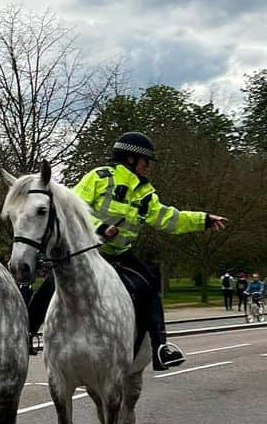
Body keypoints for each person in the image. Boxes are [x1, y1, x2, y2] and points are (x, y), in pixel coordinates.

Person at [27, 132, 227, 370]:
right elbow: (71, 209)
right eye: (146, 161)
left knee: (150, 284)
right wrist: (100, 228)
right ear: (131, 159)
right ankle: (26, 333)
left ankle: (160, 347)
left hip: (121, 256)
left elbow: (168, 218)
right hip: (88, 252)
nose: (148, 167)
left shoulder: (145, 193)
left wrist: (203, 220)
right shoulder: (98, 178)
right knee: (52, 283)